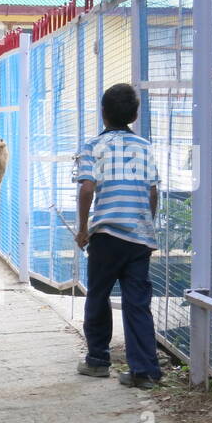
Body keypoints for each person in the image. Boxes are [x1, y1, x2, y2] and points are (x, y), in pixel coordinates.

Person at [74, 83, 163, 389]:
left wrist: (83, 229)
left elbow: (87, 188)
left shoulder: (91, 146)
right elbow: (153, 191)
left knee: (98, 295)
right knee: (137, 302)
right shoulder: (145, 147)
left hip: (107, 234)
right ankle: (145, 371)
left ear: (103, 113)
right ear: (135, 115)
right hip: (140, 237)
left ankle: (98, 361)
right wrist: (145, 223)